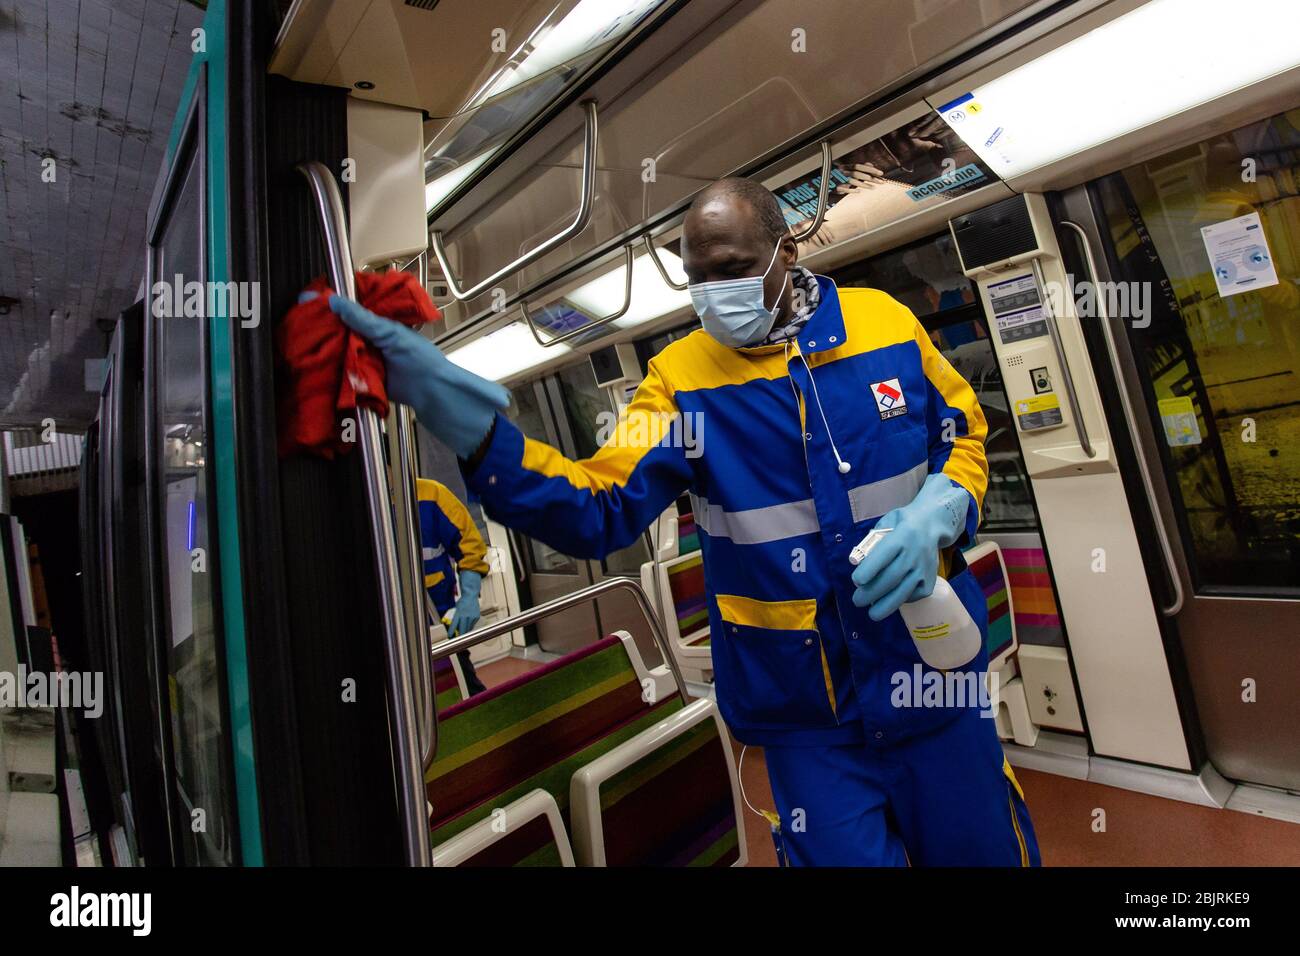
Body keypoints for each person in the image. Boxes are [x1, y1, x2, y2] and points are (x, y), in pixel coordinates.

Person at [329, 177, 1039, 867]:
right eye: (697, 277)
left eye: (730, 269)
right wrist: (483, 438)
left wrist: (940, 511)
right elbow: (599, 505)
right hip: (804, 711)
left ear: (785, 251)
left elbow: (962, 433)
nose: (713, 294)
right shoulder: (677, 381)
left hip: (931, 677)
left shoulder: (885, 323)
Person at [418, 477, 489, 696]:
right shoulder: (363, 507)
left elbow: (469, 546)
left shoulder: (430, 494)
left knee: (466, 694)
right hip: (392, 637)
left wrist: (469, 598)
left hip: (440, 629)